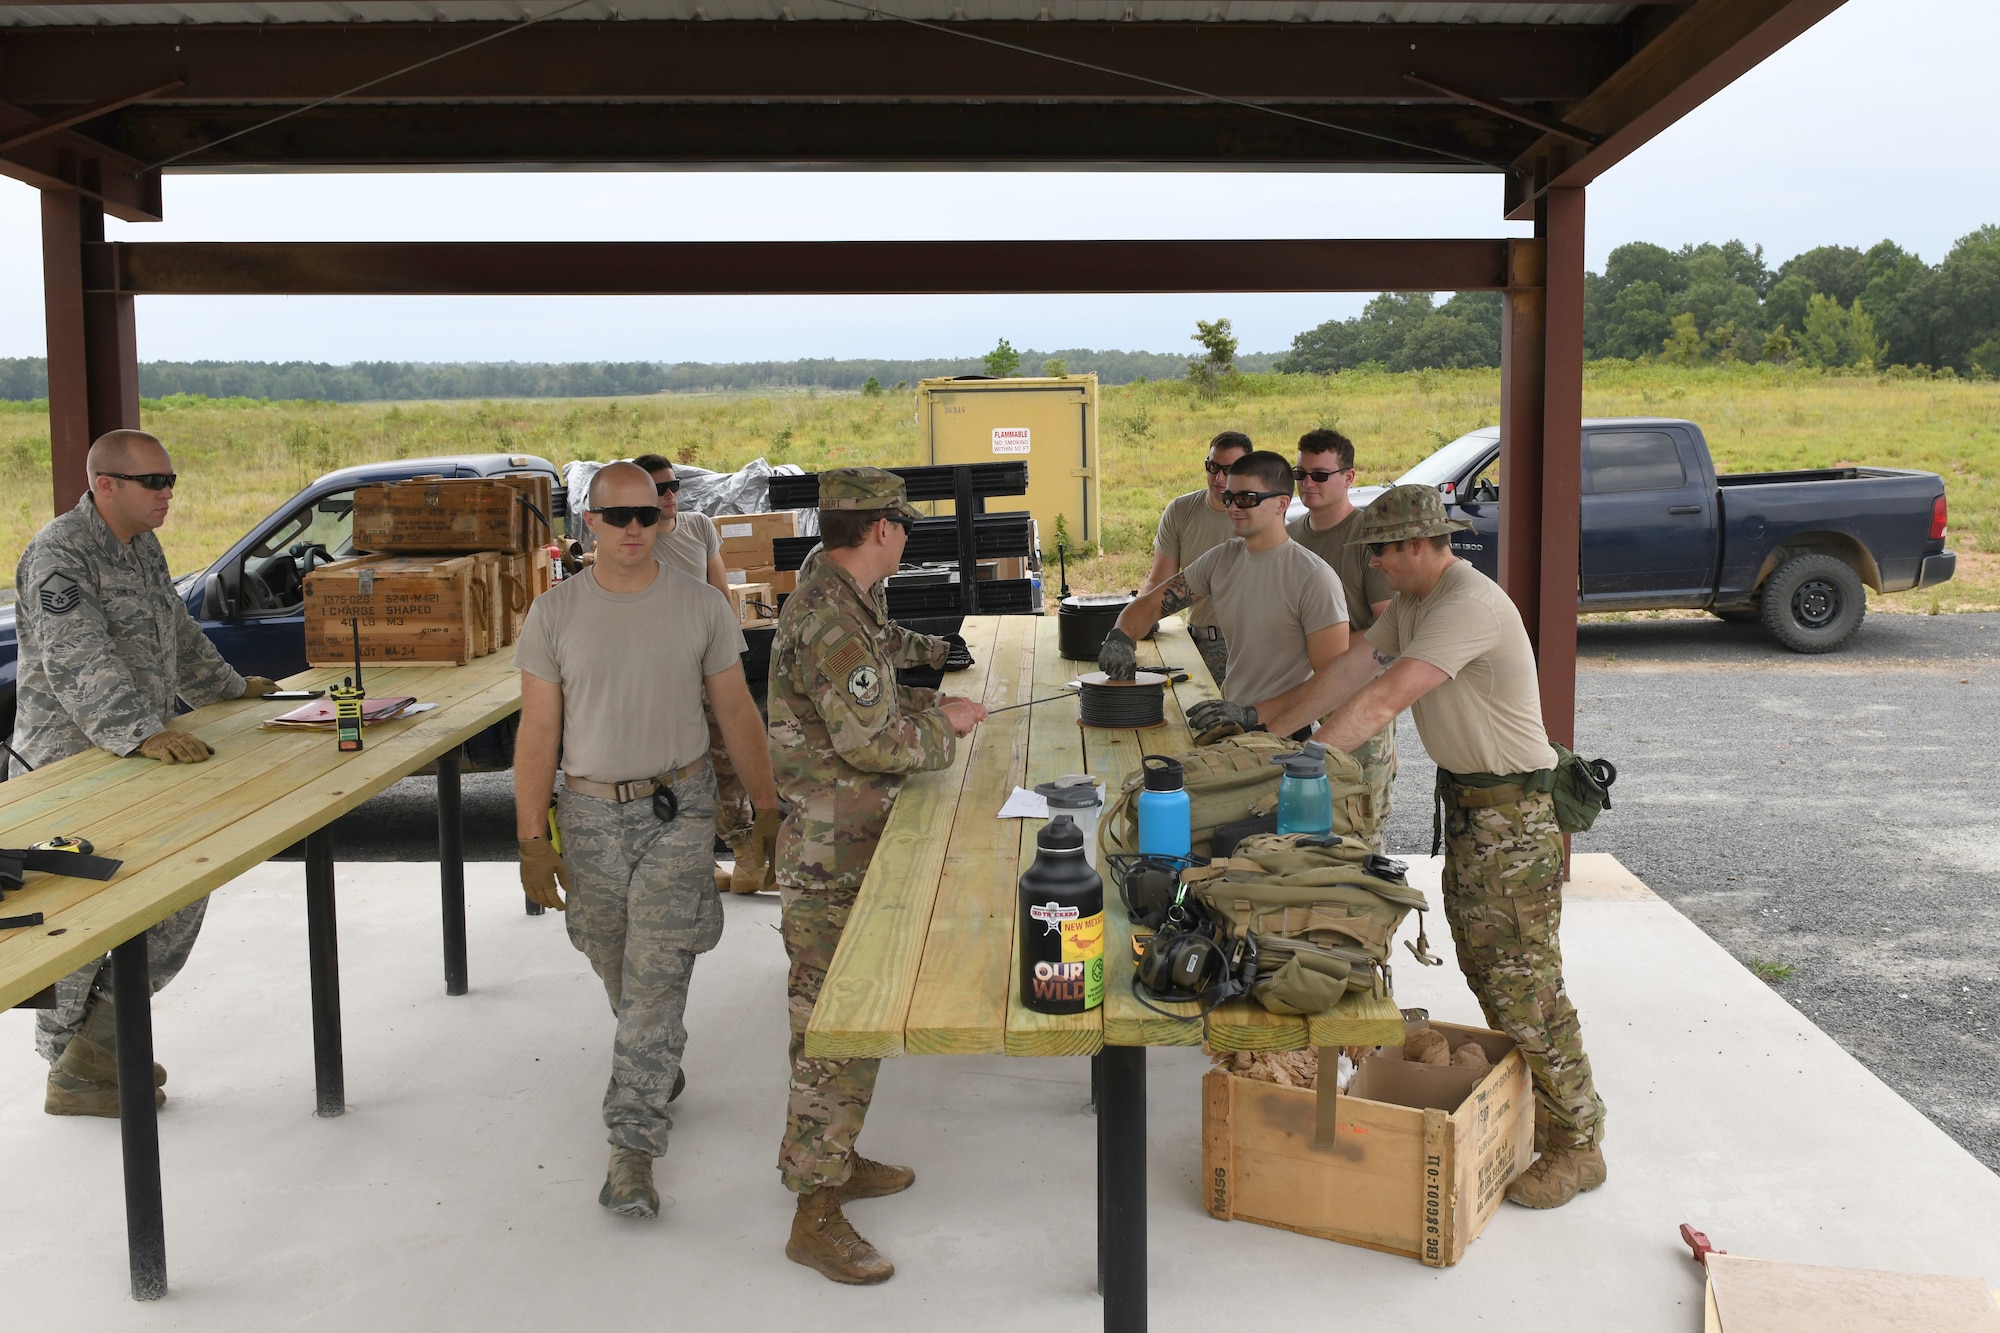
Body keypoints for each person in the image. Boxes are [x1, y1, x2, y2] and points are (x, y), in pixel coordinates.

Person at [1186, 486, 1608, 1209]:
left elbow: (1387, 698)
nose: (1375, 562)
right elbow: (1348, 671)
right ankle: (1548, 1110)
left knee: (1524, 983)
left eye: (1382, 550)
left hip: (1514, 820)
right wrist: (1266, 726)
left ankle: (1579, 1144)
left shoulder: (1464, 606)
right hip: (1478, 813)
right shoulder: (1415, 604)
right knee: (1491, 970)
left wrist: (1307, 760)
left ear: (1419, 545)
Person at [513, 461, 778, 1220]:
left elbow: (736, 712)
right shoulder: (553, 614)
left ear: (667, 521)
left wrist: (764, 811)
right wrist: (534, 837)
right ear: (588, 523)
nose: (635, 529)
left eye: (648, 516)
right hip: (590, 813)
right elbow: (537, 733)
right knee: (611, 954)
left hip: (678, 808)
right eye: (617, 516)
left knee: (656, 976)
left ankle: (631, 1146)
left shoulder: (701, 606)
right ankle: (655, 1056)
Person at [12, 429, 277, 1118]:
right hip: (70, 773)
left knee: (177, 892)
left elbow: (178, 632)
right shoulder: (59, 553)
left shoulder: (143, 546)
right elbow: (77, 659)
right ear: (105, 485)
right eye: (152, 481)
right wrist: (144, 731)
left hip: (141, 763)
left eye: (170, 480)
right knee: (73, 926)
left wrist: (226, 688)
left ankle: (97, 1048)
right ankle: (72, 1063)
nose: (168, 493)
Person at [766, 466, 986, 1285]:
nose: (907, 536)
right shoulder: (833, 620)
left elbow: (879, 653)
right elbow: (872, 743)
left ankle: (835, 1157)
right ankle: (814, 1211)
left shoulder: (839, 593)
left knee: (837, 1018)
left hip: (847, 839)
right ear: (884, 530)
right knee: (836, 1026)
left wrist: (936, 654)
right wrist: (947, 722)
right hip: (834, 855)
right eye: (904, 525)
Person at [1101, 450, 1347, 734]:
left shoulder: (1314, 578)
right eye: (1228, 498)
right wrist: (1121, 636)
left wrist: (1252, 715)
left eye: (1246, 499)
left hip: (1280, 732)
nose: (1233, 507)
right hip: (1233, 722)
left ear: (1281, 504)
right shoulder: (1223, 559)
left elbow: (1331, 685)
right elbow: (1152, 604)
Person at [633, 453, 779, 898]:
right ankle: (696, 862)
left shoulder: (698, 527)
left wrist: (729, 658)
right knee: (674, 770)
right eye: (659, 489)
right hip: (661, 672)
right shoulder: (635, 540)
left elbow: (721, 596)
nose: (671, 494)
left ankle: (746, 856)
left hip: (708, 665)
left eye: (674, 485)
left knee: (729, 761)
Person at [1286, 429, 1398, 848]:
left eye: (1319, 474)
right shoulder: (1292, 535)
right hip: (1298, 689)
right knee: (1302, 812)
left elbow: (1387, 630)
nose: (1307, 484)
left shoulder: (1369, 538)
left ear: (1349, 477)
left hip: (1356, 691)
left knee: (1360, 815)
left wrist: (1328, 662)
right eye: (1301, 473)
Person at [1146, 430, 1251, 684]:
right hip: (1197, 642)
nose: (1219, 478)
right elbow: (1159, 583)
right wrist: (1135, 622)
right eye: (1213, 466)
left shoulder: (1260, 516)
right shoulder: (1181, 510)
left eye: (1229, 469)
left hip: (1249, 649)